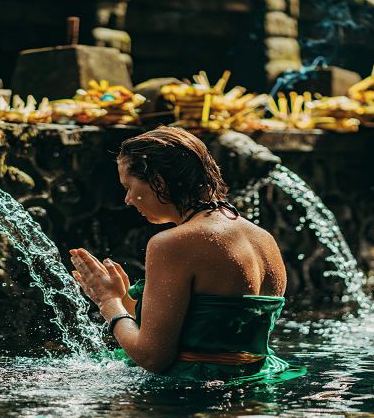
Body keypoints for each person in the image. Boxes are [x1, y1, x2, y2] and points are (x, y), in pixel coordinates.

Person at [70, 126, 301, 381]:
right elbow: (208, 328)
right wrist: (123, 297)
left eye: (129, 186)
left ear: (158, 182)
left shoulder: (172, 243)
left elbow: (152, 357)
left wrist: (107, 302)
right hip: (257, 385)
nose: (127, 199)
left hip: (194, 398)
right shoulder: (264, 239)